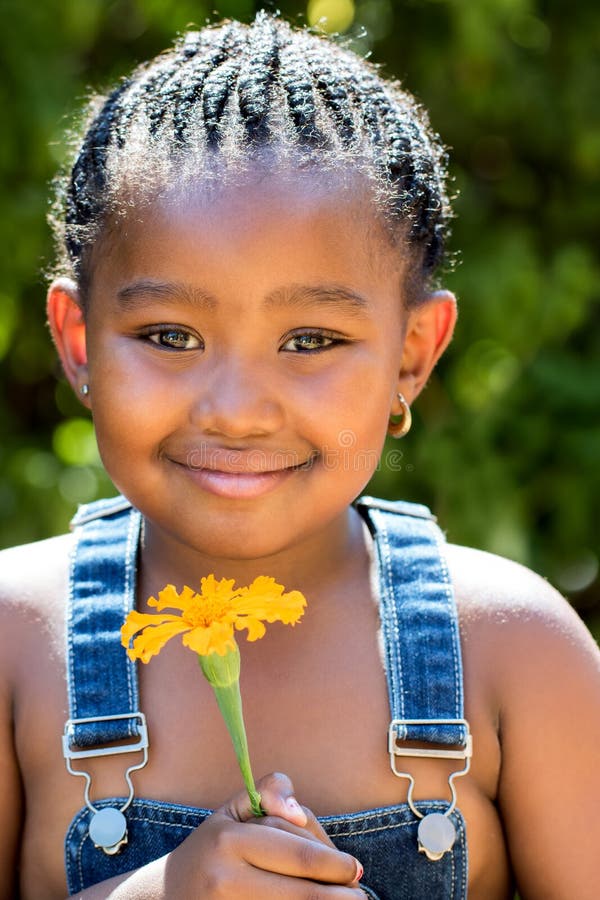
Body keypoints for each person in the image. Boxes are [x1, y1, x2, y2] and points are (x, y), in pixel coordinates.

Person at [0, 11, 598, 898]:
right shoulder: (15, 640)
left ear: (411, 354)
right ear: (80, 342)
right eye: (169, 333)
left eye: (312, 340)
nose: (238, 412)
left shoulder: (515, 651)